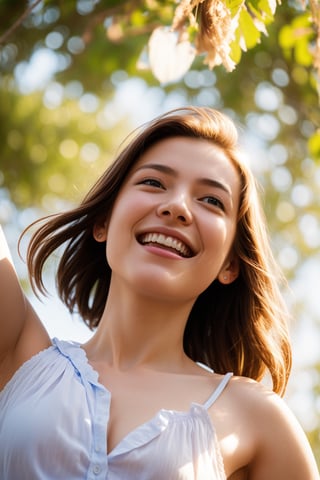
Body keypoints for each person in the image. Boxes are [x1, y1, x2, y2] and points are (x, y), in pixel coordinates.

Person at [0, 106, 318, 480]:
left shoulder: (256, 416)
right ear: (104, 221)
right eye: (153, 182)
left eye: (212, 200)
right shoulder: (18, 349)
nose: (177, 207)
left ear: (230, 264)